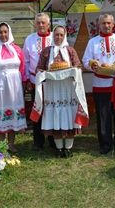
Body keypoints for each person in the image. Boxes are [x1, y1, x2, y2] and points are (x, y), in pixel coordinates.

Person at [32, 25, 87, 158]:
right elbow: (38, 69)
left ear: (65, 36)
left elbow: (79, 67)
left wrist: (76, 70)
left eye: (61, 35)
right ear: (53, 36)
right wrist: (42, 73)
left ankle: (68, 148)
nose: (59, 37)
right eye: (56, 35)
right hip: (52, 89)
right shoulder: (46, 52)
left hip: (68, 89)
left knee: (69, 116)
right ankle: (59, 148)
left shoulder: (70, 51)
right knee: (54, 115)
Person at [82, 13, 115, 155]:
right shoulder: (93, 42)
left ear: (113, 24)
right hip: (101, 84)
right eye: (103, 23)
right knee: (103, 116)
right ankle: (105, 145)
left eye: (108, 23)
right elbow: (85, 61)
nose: (106, 26)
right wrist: (93, 65)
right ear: (99, 25)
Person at [0, 22, 27, 153]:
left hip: (15, 87)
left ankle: (11, 145)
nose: (3, 34)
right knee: (1, 113)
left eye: (5, 32)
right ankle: (1, 146)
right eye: (1, 32)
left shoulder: (17, 50)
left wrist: (24, 86)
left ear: (9, 33)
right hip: (0, 87)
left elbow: (23, 69)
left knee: (13, 113)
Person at [23, 13, 56, 151]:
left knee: (52, 109)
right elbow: (25, 61)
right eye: (38, 23)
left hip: (52, 81)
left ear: (48, 24)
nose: (41, 25)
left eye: (43, 22)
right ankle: (38, 141)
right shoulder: (30, 39)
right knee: (37, 110)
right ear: (35, 24)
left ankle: (53, 140)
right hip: (35, 80)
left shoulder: (56, 37)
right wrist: (26, 79)